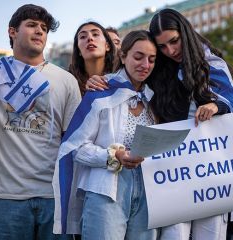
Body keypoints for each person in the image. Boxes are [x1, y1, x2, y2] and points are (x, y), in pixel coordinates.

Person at [147, 8, 233, 240]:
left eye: (174, 41)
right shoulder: (157, 70)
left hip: (212, 170)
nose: (170, 51)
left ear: (185, 33)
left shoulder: (213, 64)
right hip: (172, 173)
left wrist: (215, 106)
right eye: (162, 46)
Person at [53, 30, 158, 240]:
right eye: (138, 57)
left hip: (149, 193)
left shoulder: (154, 97)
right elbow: (74, 148)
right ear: (123, 55)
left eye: (152, 60)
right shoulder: (101, 91)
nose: (145, 65)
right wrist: (113, 156)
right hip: (106, 191)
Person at [0, 4, 81, 239]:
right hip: (4, 198)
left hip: (53, 197)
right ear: (12, 31)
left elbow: (73, 140)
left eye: (44, 28)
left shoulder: (66, 80)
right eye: (31, 25)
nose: (40, 31)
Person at [69, 21, 116, 96]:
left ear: (107, 46)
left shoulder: (122, 76)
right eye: (83, 37)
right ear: (79, 51)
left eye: (95, 34)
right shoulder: (68, 82)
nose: (90, 38)